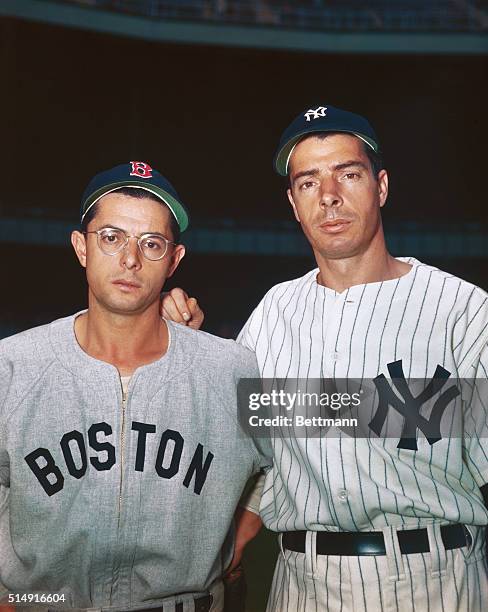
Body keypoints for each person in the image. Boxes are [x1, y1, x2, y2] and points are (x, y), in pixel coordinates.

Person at [162, 105, 488, 611]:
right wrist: (183, 348)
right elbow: (250, 453)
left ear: (380, 187)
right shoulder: (275, 311)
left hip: (435, 579)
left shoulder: (462, 309)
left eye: (348, 174)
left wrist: (300, 406)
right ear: (293, 203)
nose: (329, 197)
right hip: (303, 583)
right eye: (308, 182)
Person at [0, 161, 271, 612]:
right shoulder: (12, 366)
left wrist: (243, 530)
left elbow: (295, 451)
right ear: (81, 247)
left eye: (151, 243)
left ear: (174, 260)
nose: (130, 260)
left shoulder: (230, 368)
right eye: (111, 238)